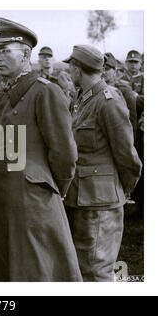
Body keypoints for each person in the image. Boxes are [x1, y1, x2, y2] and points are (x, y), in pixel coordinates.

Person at [0, 17, 82, 281]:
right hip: (4, 203)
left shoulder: (44, 92)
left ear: (26, 54)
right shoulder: (5, 93)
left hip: (33, 203)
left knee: (37, 272)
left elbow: (64, 153)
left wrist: (51, 188)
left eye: (5, 51)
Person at [63, 44, 142, 281]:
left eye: (71, 68)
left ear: (78, 70)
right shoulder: (83, 98)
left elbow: (127, 155)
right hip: (82, 199)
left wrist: (120, 189)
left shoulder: (108, 101)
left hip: (101, 203)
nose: (70, 72)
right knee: (81, 267)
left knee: (97, 271)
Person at [103, 52, 137, 140]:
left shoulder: (124, 90)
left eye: (107, 69)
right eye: (100, 69)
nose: (103, 72)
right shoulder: (96, 89)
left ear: (114, 70)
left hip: (121, 137)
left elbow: (132, 120)